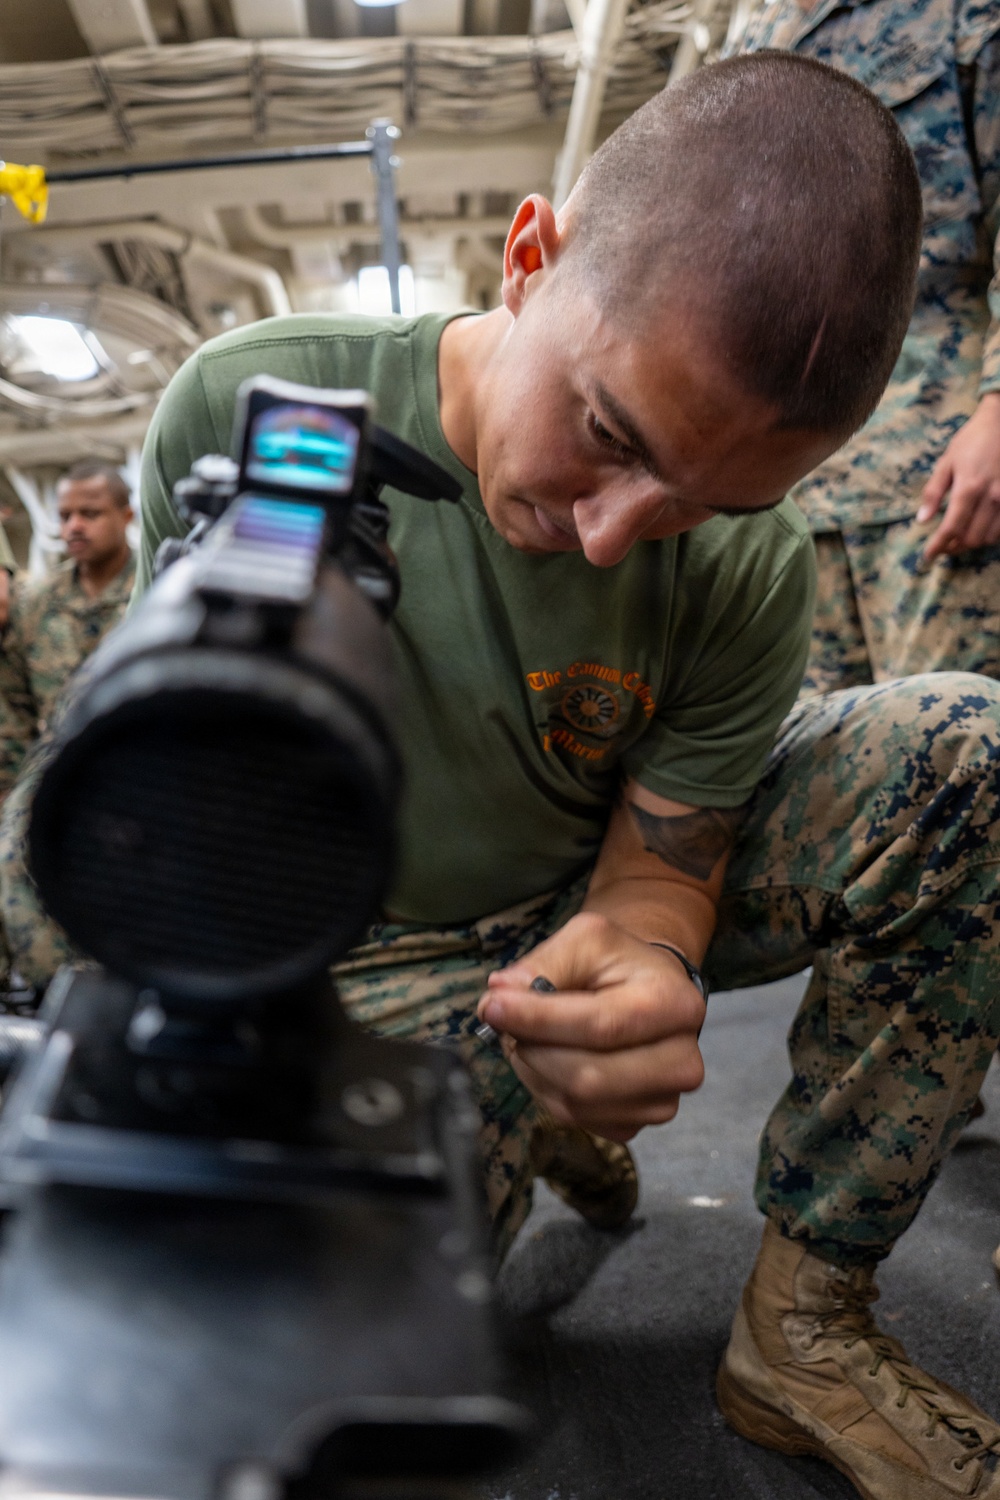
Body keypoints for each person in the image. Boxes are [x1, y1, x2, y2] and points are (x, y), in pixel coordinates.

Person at [2, 53, 1000, 1500]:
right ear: (530, 260)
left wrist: (644, 951)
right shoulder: (254, 408)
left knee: (969, 758)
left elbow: (669, 854)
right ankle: (524, 1113)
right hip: (349, 941)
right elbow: (195, 786)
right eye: (609, 435)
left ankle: (801, 1330)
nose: (616, 537)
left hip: (564, 901)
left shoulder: (749, 560)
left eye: (712, 504)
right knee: (304, 1361)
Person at [731, 0, 1000, 695]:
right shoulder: (754, 22)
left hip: (942, 469)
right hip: (792, 488)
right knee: (823, 774)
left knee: (964, 755)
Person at [0, 461, 134, 801]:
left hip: (137, 763)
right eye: (64, 516)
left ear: (126, 516)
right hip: (52, 770)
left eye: (90, 514)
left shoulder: (155, 593)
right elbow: (14, 706)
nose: (74, 526)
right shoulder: (34, 602)